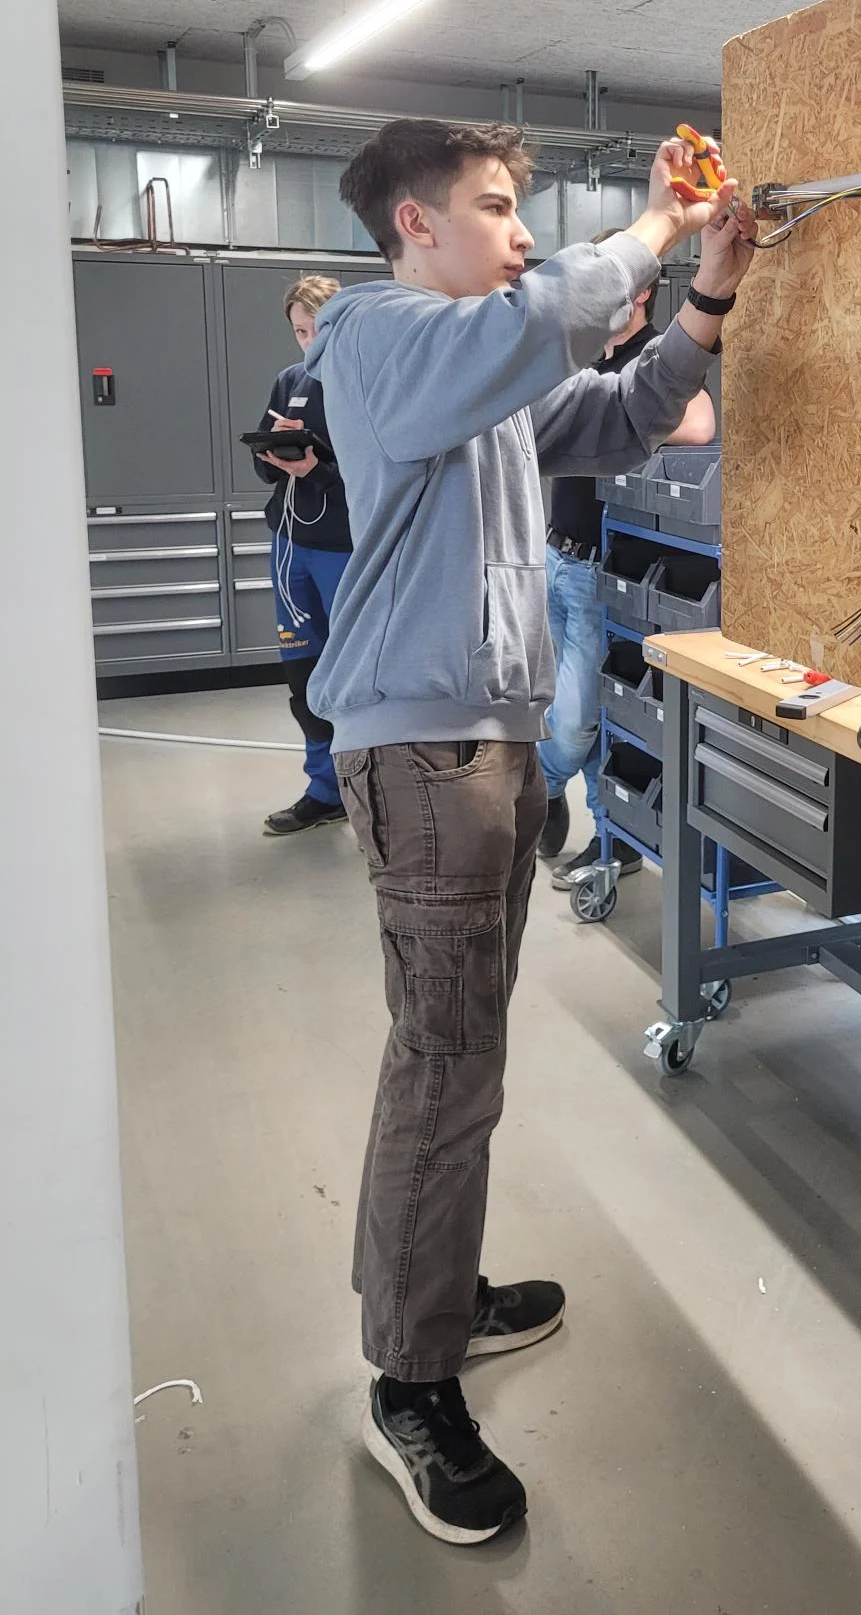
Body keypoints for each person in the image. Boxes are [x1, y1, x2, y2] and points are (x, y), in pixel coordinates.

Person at [301, 118, 755, 1544]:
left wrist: (714, 293)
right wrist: (658, 226)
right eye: (494, 209)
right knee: (445, 1062)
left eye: (521, 212)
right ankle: (410, 1381)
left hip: (483, 748)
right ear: (413, 229)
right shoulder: (378, 339)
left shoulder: (478, 384)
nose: (517, 231)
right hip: (426, 751)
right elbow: (556, 304)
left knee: (462, 1050)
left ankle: (436, 1294)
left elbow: (623, 413)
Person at [538, 235, 715, 879]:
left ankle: (540, 788)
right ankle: (608, 832)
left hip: (595, 568)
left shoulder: (652, 353)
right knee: (570, 705)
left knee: (580, 716)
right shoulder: (581, 352)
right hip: (553, 553)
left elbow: (699, 424)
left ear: (639, 294)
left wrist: (619, 415)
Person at [252, 275, 353, 836]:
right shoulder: (289, 381)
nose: (308, 341)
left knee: (352, 674)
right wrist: (275, 452)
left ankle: (370, 788)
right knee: (303, 672)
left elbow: (381, 481)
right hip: (292, 543)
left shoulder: (365, 384)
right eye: (298, 331)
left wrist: (320, 469)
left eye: (316, 329)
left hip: (345, 547)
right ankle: (325, 789)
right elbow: (264, 469)